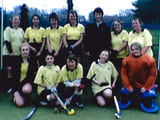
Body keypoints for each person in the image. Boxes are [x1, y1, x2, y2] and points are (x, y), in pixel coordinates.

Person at [119, 42, 159, 113]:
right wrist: (128, 86)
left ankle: (145, 98)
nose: (134, 51)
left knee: (148, 103)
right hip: (131, 85)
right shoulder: (126, 60)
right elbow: (124, 75)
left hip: (144, 85)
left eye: (136, 49)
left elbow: (152, 75)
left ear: (140, 49)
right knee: (124, 100)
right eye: (132, 49)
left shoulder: (150, 60)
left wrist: (146, 87)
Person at [2, 15, 24, 92]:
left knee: (16, 70)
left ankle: (15, 86)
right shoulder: (8, 29)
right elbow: (7, 41)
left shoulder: (21, 30)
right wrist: (11, 52)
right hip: (9, 53)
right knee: (9, 70)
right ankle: (9, 87)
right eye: (14, 19)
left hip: (18, 54)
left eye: (17, 20)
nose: (16, 21)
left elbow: (23, 42)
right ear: (11, 21)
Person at [12, 43, 37, 107]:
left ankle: (26, 96)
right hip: (17, 85)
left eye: (26, 50)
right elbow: (14, 77)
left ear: (29, 51)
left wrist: (22, 84)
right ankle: (17, 96)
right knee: (20, 104)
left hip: (26, 83)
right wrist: (16, 88)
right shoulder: (16, 61)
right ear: (20, 51)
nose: (25, 51)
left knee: (26, 89)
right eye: (23, 50)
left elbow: (31, 76)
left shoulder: (32, 61)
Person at [110, 20, 129, 93]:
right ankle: (113, 88)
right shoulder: (111, 34)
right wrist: (112, 50)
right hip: (113, 57)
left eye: (118, 25)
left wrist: (117, 51)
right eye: (115, 25)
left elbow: (125, 44)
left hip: (122, 57)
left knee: (121, 74)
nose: (116, 26)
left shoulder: (124, 33)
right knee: (114, 73)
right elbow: (110, 43)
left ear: (121, 25)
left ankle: (121, 89)